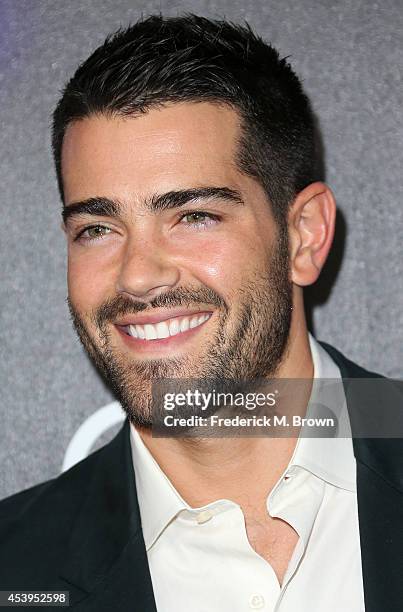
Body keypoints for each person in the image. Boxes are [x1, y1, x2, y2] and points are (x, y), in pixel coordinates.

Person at [0, 14, 401, 612]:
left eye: (194, 216)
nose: (137, 275)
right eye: (97, 228)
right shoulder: (16, 565)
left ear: (304, 237)